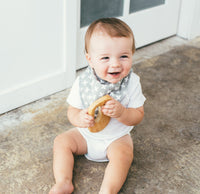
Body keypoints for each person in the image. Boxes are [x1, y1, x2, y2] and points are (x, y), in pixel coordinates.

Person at [49, 17, 146, 194]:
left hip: (116, 138)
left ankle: (107, 190)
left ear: (132, 54)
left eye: (123, 56)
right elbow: (72, 111)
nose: (115, 63)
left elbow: (138, 114)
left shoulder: (132, 83)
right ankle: (63, 182)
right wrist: (79, 118)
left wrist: (122, 112)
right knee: (61, 141)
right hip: (86, 136)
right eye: (105, 58)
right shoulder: (83, 82)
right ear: (90, 59)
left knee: (124, 156)